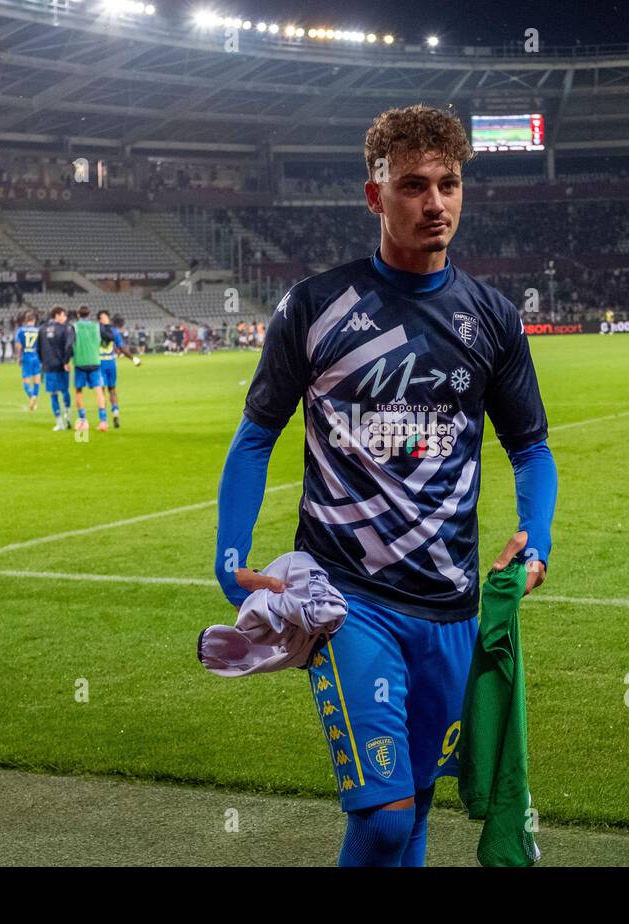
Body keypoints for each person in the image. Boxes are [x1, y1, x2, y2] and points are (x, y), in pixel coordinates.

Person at [213, 105, 557, 867]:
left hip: (452, 604)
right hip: (347, 598)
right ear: (375, 197)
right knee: (387, 818)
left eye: (449, 184)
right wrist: (226, 557)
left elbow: (530, 447)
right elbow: (256, 435)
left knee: (420, 804)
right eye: (413, 186)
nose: (435, 203)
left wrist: (537, 541)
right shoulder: (314, 306)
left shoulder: (491, 318)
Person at [97, 311, 141, 428]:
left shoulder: (96, 331)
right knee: (112, 390)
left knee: (101, 392)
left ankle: (103, 420)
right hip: (111, 363)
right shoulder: (114, 331)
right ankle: (115, 413)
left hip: (100, 363)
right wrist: (133, 359)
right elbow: (121, 348)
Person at [71, 305, 107, 433]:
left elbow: (70, 344)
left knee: (79, 392)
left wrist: (66, 359)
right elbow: (104, 341)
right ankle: (103, 422)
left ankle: (82, 422)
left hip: (80, 363)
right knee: (99, 391)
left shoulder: (74, 327)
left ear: (78, 314)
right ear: (89, 314)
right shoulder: (96, 326)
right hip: (95, 362)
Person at [37, 305, 74, 431]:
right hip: (62, 366)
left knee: (53, 395)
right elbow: (69, 346)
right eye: (64, 315)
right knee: (65, 390)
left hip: (48, 367)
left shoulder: (42, 329)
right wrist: (66, 361)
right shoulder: (66, 328)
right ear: (57, 315)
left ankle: (59, 423)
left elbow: (38, 349)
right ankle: (68, 416)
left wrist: (44, 363)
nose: (65, 318)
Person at [14, 310, 41, 411]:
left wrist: (18, 357)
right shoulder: (38, 330)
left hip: (26, 357)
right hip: (36, 357)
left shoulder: (21, 330)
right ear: (34, 320)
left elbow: (18, 345)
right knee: (37, 380)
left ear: (26, 320)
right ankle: (35, 397)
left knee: (26, 381)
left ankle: (31, 397)